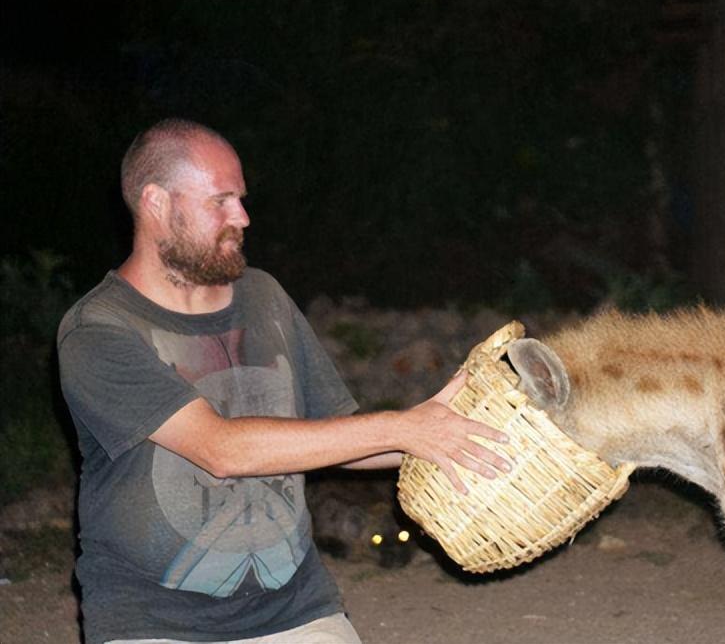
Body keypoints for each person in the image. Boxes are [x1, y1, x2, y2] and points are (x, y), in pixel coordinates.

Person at [56, 118, 511, 644]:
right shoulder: (98, 330)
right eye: (221, 202)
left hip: (296, 612)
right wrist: (404, 429)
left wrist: (445, 428)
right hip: (154, 622)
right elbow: (220, 449)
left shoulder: (264, 297)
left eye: (241, 199)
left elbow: (340, 435)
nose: (243, 218)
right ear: (158, 204)